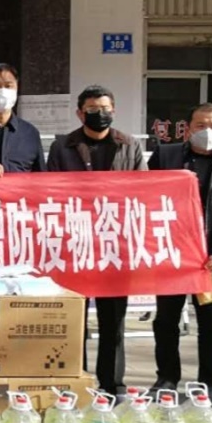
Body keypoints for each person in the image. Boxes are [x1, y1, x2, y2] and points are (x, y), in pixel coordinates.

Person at [46, 85, 146, 396]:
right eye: (92, 109)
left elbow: (143, 191)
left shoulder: (129, 145)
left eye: (104, 108)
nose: (99, 114)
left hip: (115, 244)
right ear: (80, 113)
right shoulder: (63, 147)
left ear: (113, 111)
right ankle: (74, 380)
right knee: (72, 317)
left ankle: (112, 383)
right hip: (74, 243)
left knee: (113, 320)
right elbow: (49, 191)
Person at [147, 103, 212, 403]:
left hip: (210, 260)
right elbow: (148, 199)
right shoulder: (165, 156)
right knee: (166, 320)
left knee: (211, 324)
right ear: (187, 129)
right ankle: (166, 378)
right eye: (200, 125)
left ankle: (210, 382)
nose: (207, 131)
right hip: (172, 255)